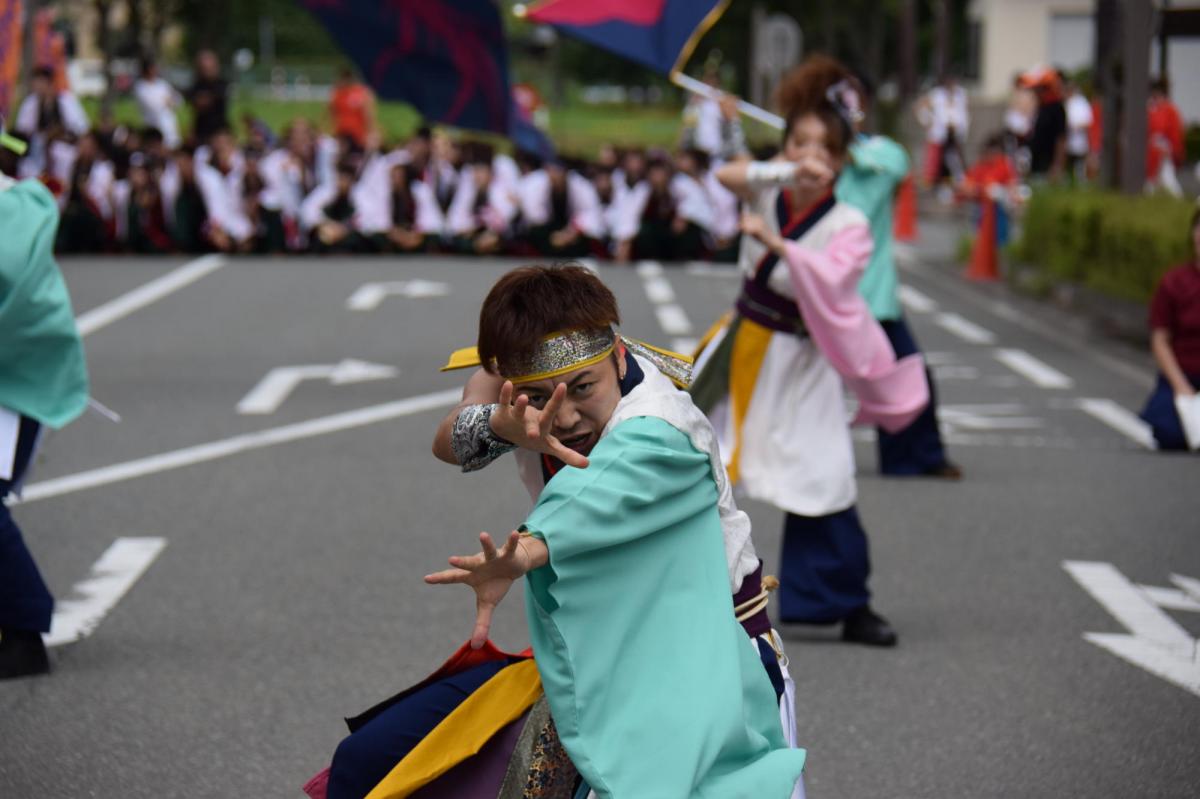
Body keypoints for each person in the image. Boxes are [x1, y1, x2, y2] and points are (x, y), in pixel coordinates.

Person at [309, 265, 806, 799]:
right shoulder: (523, 393)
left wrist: (523, 552)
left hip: (698, 664)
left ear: (618, 355)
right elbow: (450, 439)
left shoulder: (662, 428)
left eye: (583, 389)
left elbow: (594, 497)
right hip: (594, 649)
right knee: (373, 762)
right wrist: (500, 424)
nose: (563, 416)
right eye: (539, 395)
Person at [690, 57, 929, 646]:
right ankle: (681, 591)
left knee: (826, 476)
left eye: (824, 149)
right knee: (690, 460)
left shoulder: (849, 223)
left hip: (804, 359)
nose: (810, 158)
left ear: (843, 161)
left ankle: (845, 602)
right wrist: (778, 175)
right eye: (799, 143)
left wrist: (779, 245)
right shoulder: (766, 190)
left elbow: (833, 275)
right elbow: (728, 175)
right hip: (741, 350)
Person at [826, 60, 962, 478]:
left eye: (849, 95)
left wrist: (846, 148)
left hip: (872, 296)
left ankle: (917, 457)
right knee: (803, 384)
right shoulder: (813, 162)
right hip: (819, 298)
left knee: (907, 373)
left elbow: (897, 164)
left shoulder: (879, 153)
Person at [0, 166, 89, 679]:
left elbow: (17, 297)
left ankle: (24, 628)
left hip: (13, 382)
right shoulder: (24, 202)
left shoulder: (17, 207)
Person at [1139, 209, 1200, 451]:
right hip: (1182, 375)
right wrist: (1181, 386)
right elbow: (1160, 339)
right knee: (1168, 433)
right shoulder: (1174, 282)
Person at [14, 65, 89, 179]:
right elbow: (22, 130)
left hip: (65, 149)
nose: (37, 87)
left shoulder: (66, 100)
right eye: (35, 83)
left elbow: (81, 128)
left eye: (41, 82)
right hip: (37, 152)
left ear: (50, 83)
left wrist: (58, 134)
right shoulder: (31, 103)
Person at [1146, 78, 1185, 198]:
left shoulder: (1170, 110)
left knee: (1167, 180)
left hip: (1164, 150)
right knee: (1152, 181)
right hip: (1151, 150)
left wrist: (1173, 150)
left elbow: (1174, 133)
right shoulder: (1151, 109)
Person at [133, 57, 183, 149]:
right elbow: (153, 105)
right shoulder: (140, 87)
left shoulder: (162, 84)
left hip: (169, 125)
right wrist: (167, 101)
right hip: (153, 125)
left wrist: (170, 101)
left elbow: (178, 99)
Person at [329, 67, 377, 151]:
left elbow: (368, 114)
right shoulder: (338, 93)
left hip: (357, 134)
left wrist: (370, 131)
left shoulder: (359, 92)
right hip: (342, 132)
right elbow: (332, 113)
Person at [187, 49, 229, 143]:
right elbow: (195, 107)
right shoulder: (196, 85)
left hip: (218, 132)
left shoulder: (221, 84)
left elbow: (205, 102)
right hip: (201, 132)